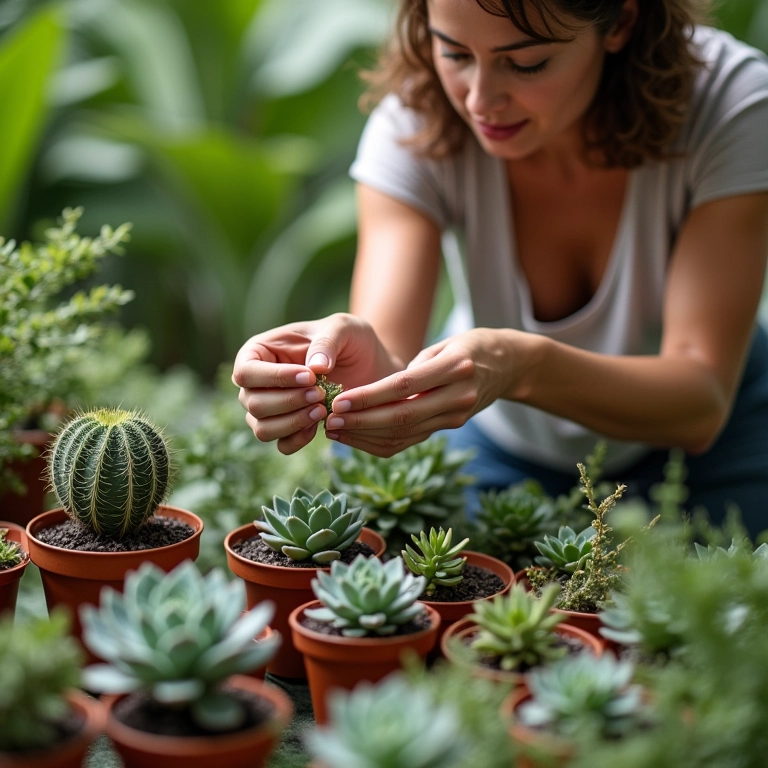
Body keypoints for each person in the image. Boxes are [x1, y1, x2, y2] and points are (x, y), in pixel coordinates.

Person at [233, 0, 768, 535]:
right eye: (455, 53)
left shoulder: (731, 106)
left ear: (624, 21)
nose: (479, 99)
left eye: (527, 63)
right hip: (497, 442)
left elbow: (701, 403)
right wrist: (351, 369)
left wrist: (522, 366)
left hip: (715, 449)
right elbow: (388, 357)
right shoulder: (415, 121)